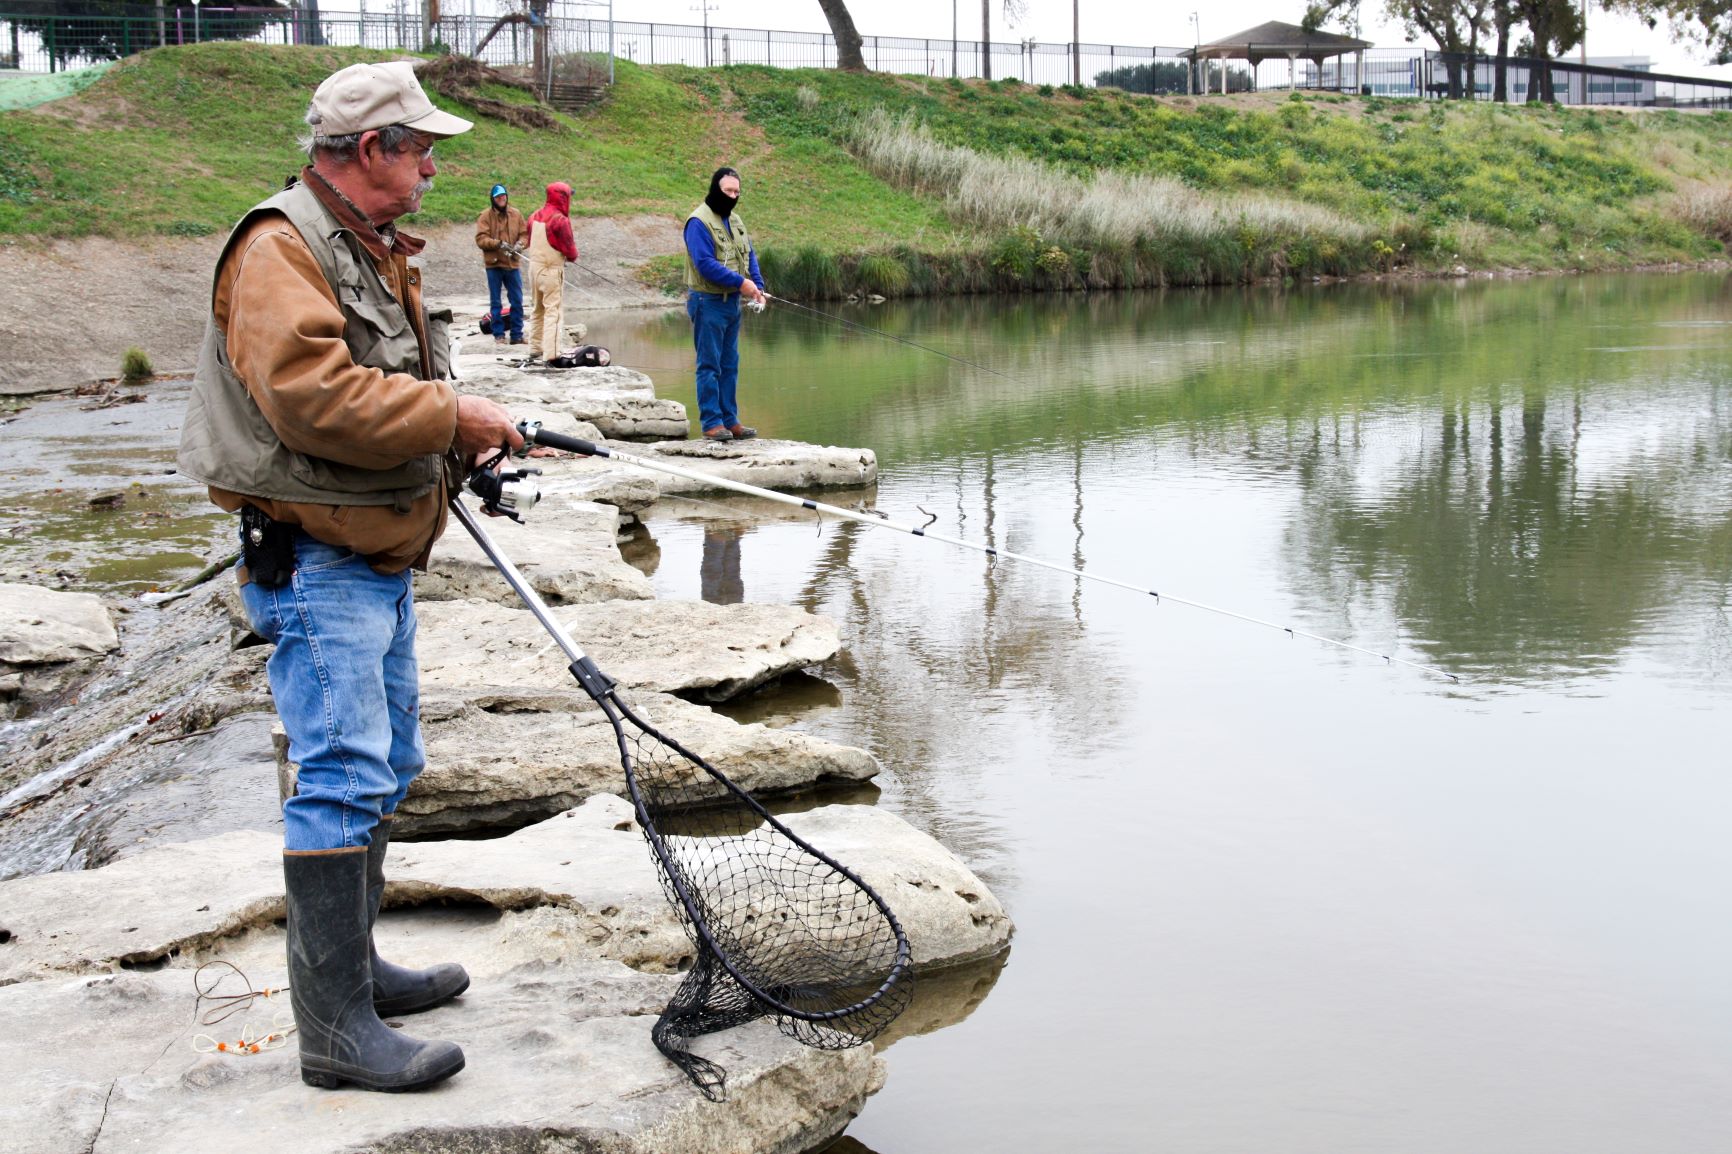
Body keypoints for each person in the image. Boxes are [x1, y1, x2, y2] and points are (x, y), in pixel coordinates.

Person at [176, 60, 523, 1094]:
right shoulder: (281, 244)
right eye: (419, 148)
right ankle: (332, 1033)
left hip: (371, 555)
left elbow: (391, 387)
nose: (431, 167)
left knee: (390, 756)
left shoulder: (364, 243)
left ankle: (355, 973)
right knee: (340, 773)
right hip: (317, 563)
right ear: (367, 150)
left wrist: (467, 439)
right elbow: (311, 397)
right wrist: (451, 416)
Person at [682, 165, 766, 442]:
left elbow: (749, 254)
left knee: (730, 364)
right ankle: (712, 422)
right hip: (707, 302)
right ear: (715, 189)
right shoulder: (698, 222)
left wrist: (758, 285)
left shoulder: (736, 220)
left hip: (732, 304)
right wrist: (742, 283)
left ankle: (730, 420)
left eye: (736, 192)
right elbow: (704, 264)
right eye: (727, 190)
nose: (732, 196)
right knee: (709, 365)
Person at [526, 181, 578, 362]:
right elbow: (570, 250)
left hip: (534, 268)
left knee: (537, 309)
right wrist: (571, 257)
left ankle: (535, 348)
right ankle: (552, 354)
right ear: (563, 198)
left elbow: (529, 239)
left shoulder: (534, 216)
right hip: (551, 270)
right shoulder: (560, 220)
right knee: (553, 311)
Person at [474, 182, 526, 346]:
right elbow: (480, 239)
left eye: (503, 196)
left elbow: (525, 235)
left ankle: (517, 335)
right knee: (496, 302)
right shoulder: (485, 216)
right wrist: (497, 244)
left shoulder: (516, 214)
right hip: (494, 265)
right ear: (493, 199)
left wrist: (520, 245)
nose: (501, 199)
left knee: (517, 300)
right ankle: (498, 335)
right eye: (498, 197)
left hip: (512, 264)